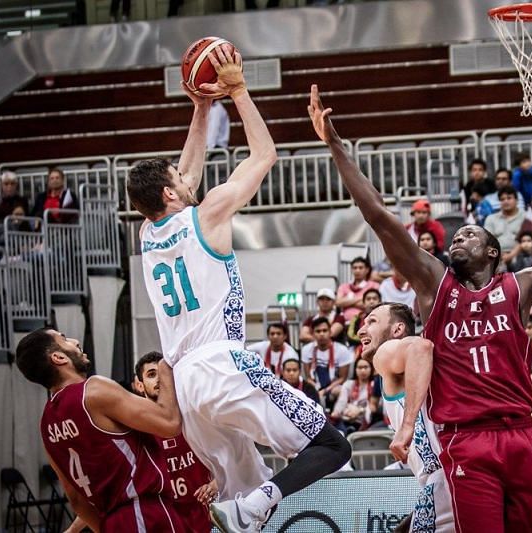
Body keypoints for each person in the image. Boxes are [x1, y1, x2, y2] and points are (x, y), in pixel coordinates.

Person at [309, 83, 532, 531]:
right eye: (455, 235)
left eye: (469, 235)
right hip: (466, 440)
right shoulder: (434, 285)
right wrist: (336, 146)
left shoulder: (520, 286)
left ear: (493, 252)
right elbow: (380, 216)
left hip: (521, 433)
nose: (458, 237)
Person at [128, 53, 349, 532]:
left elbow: (183, 175)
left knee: (239, 505)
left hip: (183, 387)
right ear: (170, 194)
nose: (186, 178)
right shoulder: (206, 213)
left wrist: (202, 109)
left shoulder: (147, 235)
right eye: (176, 179)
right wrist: (238, 90)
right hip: (221, 364)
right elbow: (264, 155)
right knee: (332, 447)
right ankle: (261, 502)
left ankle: (250, 506)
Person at [15, 329, 183, 531]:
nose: (75, 341)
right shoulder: (93, 390)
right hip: (144, 513)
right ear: (58, 357)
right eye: (64, 339)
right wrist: (165, 367)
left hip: (112, 523)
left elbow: (76, 500)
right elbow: (169, 423)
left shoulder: (46, 424)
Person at [357, 302, 454, 532]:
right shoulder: (413, 370)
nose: (362, 330)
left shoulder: (387, 352)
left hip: (445, 477)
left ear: (397, 330)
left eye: (371, 321)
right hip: (453, 478)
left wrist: (406, 426)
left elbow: (420, 347)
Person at [133, 351, 216, 532]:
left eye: (164, 374)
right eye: (152, 374)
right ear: (139, 385)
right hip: (163, 518)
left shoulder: (194, 414)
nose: (159, 380)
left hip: (203, 515)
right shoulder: (137, 429)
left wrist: (218, 482)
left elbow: (232, 452)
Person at [301, 317, 352, 405]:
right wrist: (317, 389)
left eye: (325, 331)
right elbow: (308, 377)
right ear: (313, 334)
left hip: (333, 387)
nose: (321, 334)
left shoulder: (342, 350)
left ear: (330, 332)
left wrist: (325, 390)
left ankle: (336, 416)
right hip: (314, 385)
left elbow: (342, 378)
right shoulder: (306, 349)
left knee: (340, 391)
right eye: (318, 331)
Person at [330, 357, 375, 435]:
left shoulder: (374, 385)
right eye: (360, 367)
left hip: (365, 418)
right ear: (355, 369)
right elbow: (342, 402)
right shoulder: (349, 384)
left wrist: (359, 410)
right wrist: (336, 413)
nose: (363, 370)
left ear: (371, 369)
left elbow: (374, 407)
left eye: (366, 367)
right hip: (347, 416)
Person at [336, 256, 380, 322]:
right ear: (351, 270)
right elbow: (338, 302)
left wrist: (346, 302)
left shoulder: (374, 285)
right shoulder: (343, 286)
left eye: (360, 268)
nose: (357, 270)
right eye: (355, 268)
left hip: (366, 321)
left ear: (367, 270)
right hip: (345, 323)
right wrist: (360, 298)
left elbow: (371, 305)